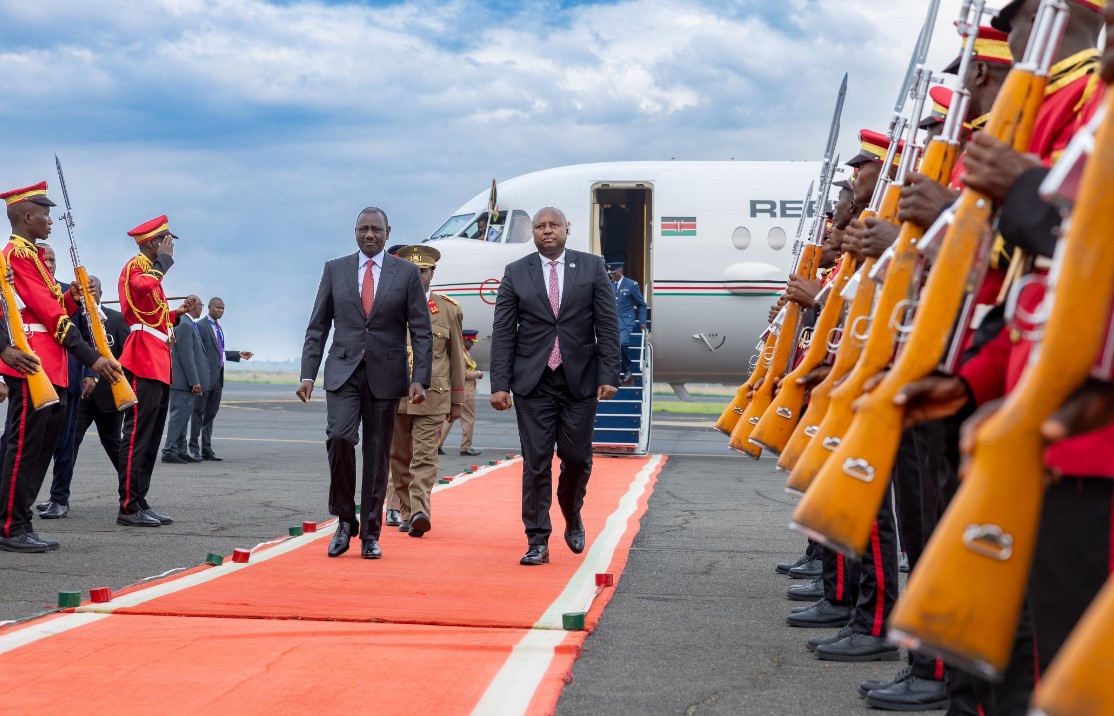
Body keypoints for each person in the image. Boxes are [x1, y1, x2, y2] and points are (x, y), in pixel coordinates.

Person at [297, 206, 432, 560]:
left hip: (386, 375)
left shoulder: (405, 274)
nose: (369, 235)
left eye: (376, 229)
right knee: (339, 437)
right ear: (354, 231)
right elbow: (318, 326)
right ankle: (345, 520)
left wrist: (421, 379)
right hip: (343, 370)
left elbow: (421, 330)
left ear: (389, 231)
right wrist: (307, 373)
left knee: (376, 455)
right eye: (363, 229)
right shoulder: (335, 269)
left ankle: (370, 533)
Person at [489, 206, 620, 566]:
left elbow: (608, 326)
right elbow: (503, 333)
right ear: (533, 232)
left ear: (567, 229)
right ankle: (537, 539)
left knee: (577, 459)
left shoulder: (592, 268)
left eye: (554, 225)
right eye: (540, 226)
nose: (547, 231)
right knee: (536, 462)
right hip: (533, 382)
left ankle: (572, 512)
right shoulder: (516, 272)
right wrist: (499, 383)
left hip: (579, 381)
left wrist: (609, 374)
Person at [0, 182, 121, 552]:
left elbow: (55, 307)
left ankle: (20, 520)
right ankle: (10, 526)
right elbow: (51, 317)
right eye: (45, 214)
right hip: (32, 360)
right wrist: (92, 357)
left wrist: (72, 294)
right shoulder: (17, 255)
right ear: (26, 216)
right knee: (23, 449)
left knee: (40, 448)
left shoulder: (33, 257)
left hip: (50, 364)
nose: (50, 221)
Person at [117, 215, 199, 527]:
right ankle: (127, 505)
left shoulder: (151, 270)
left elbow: (157, 316)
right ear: (153, 242)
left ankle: (139, 499)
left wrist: (178, 312)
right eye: (166, 241)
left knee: (150, 438)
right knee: (137, 434)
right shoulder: (137, 266)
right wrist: (164, 262)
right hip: (142, 357)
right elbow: (140, 288)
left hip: (157, 358)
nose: (171, 246)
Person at [385, 245, 465, 537]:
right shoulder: (389, 306)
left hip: (434, 396)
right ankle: (406, 510)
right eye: (414, 271)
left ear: (433, 274)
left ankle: (420, 511)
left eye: (424, 271)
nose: (419, 276)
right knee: (400, 457)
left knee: (424, 457)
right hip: (396, 396)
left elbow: (456, 357)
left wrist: (458, 400)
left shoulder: (448, 310)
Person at [35, 248, 96, 520]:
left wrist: (88, 373)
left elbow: (84, 335)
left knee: (64, 444)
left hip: (68, 378)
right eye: (45, 259)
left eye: (53, 260)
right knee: (26, 442)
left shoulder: (67, 291)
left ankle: (59, 498)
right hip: (34, 376)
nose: (50, 263)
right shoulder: (26, 290)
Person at [68, 276, 128, 477]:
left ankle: (130, 493)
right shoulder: (71, 317)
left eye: (93, 290)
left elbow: (127, 357)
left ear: (100, 293)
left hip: (109, 396)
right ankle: (58, 497)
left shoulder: (117, 319)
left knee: (114, 445)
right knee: (69, 443)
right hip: (81, 395)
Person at [192, 297, 252, 461]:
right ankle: (194, 449)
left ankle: (207, 449)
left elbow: (217, 353)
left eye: (223, 308)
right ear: (209, 307)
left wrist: (238, 354)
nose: (220, 311)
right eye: (218, 307)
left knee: (210, 414)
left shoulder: (218, 328)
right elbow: (196, 353)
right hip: (203, 379)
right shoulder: (200, 326)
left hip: (217, 379)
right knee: (198, 414)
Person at [162, 295, 208, 464]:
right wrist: (194, 381)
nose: (202, 308)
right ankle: (169, 450)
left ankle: (180, 450)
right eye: (201, 305)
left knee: (183, 416)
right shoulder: (185, 324)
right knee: (178, 416)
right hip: (182, 382)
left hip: (183, 382)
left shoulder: (189, 324)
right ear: (194, 305)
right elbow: (186, 355)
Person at [439, 329, 483, 457]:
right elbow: (462, 373)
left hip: (458, 390)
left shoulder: (462, 352)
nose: (472, 344)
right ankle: (466, 447)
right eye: (471, 341)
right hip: (465, 390)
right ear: (464, 340)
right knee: (468, 419)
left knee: (449, 419)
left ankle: (437, 445)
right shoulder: (461, 354)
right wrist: (478, 374)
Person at [606, 262, 648, 384]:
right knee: (611, 348)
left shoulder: (631, 284)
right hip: (611, 321)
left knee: (623, 343)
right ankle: (615, 373)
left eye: (614, 273)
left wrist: (643, 322)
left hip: (626, 321)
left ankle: (628, 369)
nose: (612, 276)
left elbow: (641, 304)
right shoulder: (608, 285)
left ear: (620, 271)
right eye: (610, 274)